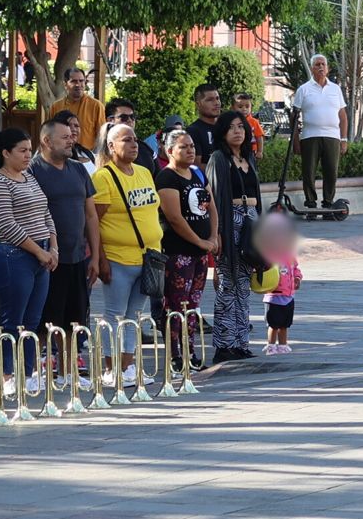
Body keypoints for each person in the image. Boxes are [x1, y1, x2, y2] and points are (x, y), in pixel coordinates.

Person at [0, 128, 57, 397]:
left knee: (33, 320)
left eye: (29, 150)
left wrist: (53, 246)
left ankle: (27, 373)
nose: (28, 155)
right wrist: (39, 251)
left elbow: (45, 212)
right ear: (5, 153)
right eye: (22, 151)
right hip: (13, 257)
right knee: (11, 320)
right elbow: (6, 224)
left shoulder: (28, 177)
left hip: (42, 254)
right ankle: (5, 375)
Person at [91, 123, 162, 385]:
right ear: (111, 146)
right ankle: (111, 369)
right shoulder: (103, 177)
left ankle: (128, 366)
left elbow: (151, 210)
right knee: (114, 314)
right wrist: (100, 258)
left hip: (148, 257)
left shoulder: (144, 171)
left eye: (134, 140)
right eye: (126, 140)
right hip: (117, 258)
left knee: (134, 316)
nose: (134, 145)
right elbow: (93, 222)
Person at [30, 119, 99, 381]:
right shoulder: (33, 170)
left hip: (77, 255)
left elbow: (91, 215)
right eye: (65, 137)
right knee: (44, 318)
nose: (72, 140)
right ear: (46, 141)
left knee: (74, 317)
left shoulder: (79, 170)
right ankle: (35, 370)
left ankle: (67, 372)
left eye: (72, 136)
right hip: (46, 256)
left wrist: (95, 255)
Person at [155, 129, 217, 368]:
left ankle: (190, 350)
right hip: (177, 251)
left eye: (192, 146)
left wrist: (213, 235)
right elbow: (174, 217)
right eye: (184, 147)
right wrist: (199, 241)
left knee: (193, 304)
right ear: (169, 151)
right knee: (175, 303)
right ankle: (174, 354)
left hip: (200, 254)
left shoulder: (198, 173)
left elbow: (210, 206)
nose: (190, 150)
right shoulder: (167, 178)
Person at [206, 110, 261, 363]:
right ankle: (224, 344)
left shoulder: (249, 157)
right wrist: (217, 233)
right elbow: (215, 198)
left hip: (251, 222)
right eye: (232, 128)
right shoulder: (219, 159)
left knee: (244, 285)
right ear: (223, 132)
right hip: (230, 222)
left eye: (241, 127)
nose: (238, 131)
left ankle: (240, 341)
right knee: (227, 284)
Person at [292, 56, 348, 210]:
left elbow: (342, 116)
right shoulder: (303, 89)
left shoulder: (335, 89)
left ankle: (328, 202)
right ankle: (310, 202)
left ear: (328, 68)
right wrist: (295, 141)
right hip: (310, 136)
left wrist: (344, 139)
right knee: (309, 172)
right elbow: (294, 117)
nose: (321, 67)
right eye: (317, 65)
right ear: (312, 68)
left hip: (332, 136)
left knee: (331, 171)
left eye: (324, 64)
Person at [45, 67, 105, 152]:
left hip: (87, 156)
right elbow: (50, 133)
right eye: (74, 81)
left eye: (81, 81)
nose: (78, 85)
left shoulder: (96, 106)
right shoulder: (56, 107)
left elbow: (101, 137)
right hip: (61, 155)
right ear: (65, 84)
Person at [106, 97, 158, 172]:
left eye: (132, 117)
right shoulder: (101, 150)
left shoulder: (145, 148)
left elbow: (159, 177)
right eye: (123, 117)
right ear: (110, 120)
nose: (130, 120)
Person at [264, 252, 301, 355]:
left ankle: (282, 346)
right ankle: (271, 346)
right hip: (275, 296)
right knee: (273, 325)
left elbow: (296, 269)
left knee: (285, 325)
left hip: (289, 296)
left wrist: (297, 278)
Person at [187, 83, 224, 166]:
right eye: (210, 100)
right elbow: (196, 166)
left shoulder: (227, 125)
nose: (217, 103)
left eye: (217, 98)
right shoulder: (193, 131)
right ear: (198, 104)